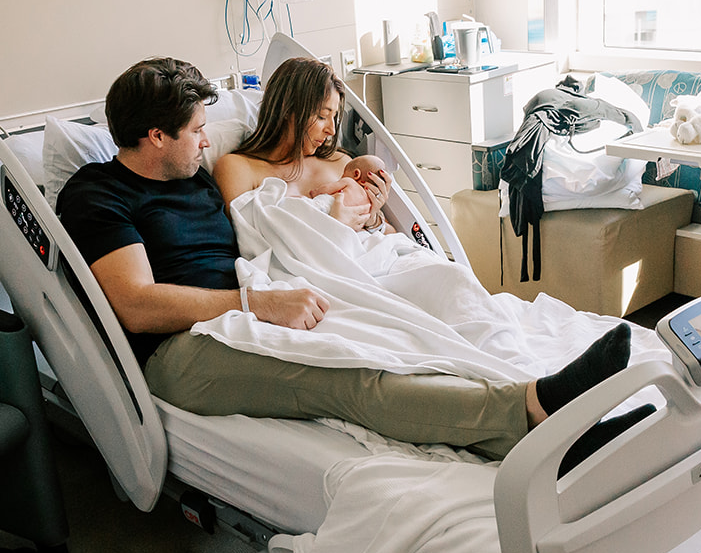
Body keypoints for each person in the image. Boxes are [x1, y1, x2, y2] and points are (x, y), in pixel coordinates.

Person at [54, 56, 634, 460]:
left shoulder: (194, 179)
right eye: (197, 130)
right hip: (183, 350)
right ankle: (531, 413)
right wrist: (260, 302)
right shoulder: (98, 194)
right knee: (351, 374)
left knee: (398, 337)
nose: (208, 142)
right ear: (155, 136)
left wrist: (341, 221)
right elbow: (134, 305)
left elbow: (269, 229)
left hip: (254, 301)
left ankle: (549, 404)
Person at [213, 58, 391, 233]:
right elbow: (248, 241)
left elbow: (392, 236)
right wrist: (330, 229)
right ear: (287, 109)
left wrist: (373, 219)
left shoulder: (341, 163)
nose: (332, 131)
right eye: (322, 116)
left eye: (334, 117)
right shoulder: (237, 169)